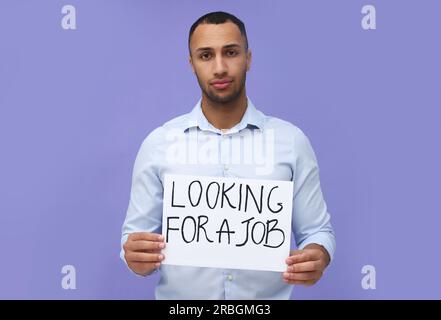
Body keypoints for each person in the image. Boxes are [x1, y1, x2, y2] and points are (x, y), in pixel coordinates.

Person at [120, 11, 336, 299]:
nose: (220, 68)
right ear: (192, 64)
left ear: (248, 58)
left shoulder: (291, 142)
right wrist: (134, 257)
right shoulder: (159, 143)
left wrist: (317, 255)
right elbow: (133, 240)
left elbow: (318, 232)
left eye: (231, 52)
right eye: (206, 55)